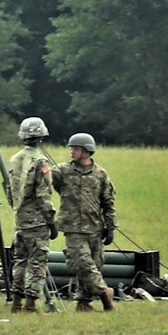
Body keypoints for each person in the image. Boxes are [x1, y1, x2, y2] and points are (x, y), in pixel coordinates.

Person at [52, 133, 116, 312]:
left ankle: (83, 303)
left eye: (76, 149)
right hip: (73, 228)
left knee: (94, 265)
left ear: (87, 151)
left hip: (96, 228)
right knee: (81, 263)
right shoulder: (62, 171)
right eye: (71, 148)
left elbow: (108, 203)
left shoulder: (101, 174)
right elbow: (46, 179)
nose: (72, 152)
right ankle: (105, 292)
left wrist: (110, 227)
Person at [6, 117, 57, 315]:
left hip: (20, 220)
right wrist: (51, 221)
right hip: (37, 222)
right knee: (37, 263)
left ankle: (16, 303)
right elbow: (44, 194)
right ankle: (30, 305)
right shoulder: (40, 161)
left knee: (20, 261)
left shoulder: (14, 158)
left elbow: (10, 190)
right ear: (41, 136)